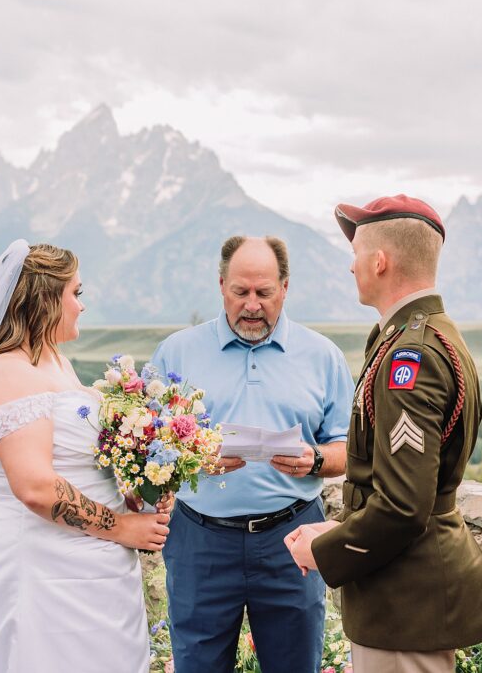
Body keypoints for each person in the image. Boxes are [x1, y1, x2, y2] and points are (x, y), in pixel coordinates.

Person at [285, 195, 482, 673]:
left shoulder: (413, 356)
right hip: (406, 593)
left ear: (380, 261)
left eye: (357, 254)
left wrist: (325, 551)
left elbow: (404, 506)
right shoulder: (421, 335)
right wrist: (340, 528)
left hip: (406, 601)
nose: (351, 268)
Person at [0, 241, 172, 673]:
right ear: (45, 298)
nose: (82, 306)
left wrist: (132, 482)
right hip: (40, 572)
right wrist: (121, 526)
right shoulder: (9, 373)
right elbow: (34, 487)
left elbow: (73, 455)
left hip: (88, 568)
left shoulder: (56, 364)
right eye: (76, 293)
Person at [149, 235, 355, 673]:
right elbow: (149, 446)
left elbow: (350, 452)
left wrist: (314, 460)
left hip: (293, 539)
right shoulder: (176, 352)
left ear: (285, 288)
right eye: (240, 292)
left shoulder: (323, 356)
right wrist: (194, 455)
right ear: (221, 285)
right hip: (199, 541)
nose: (252, 304)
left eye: (264, 292)